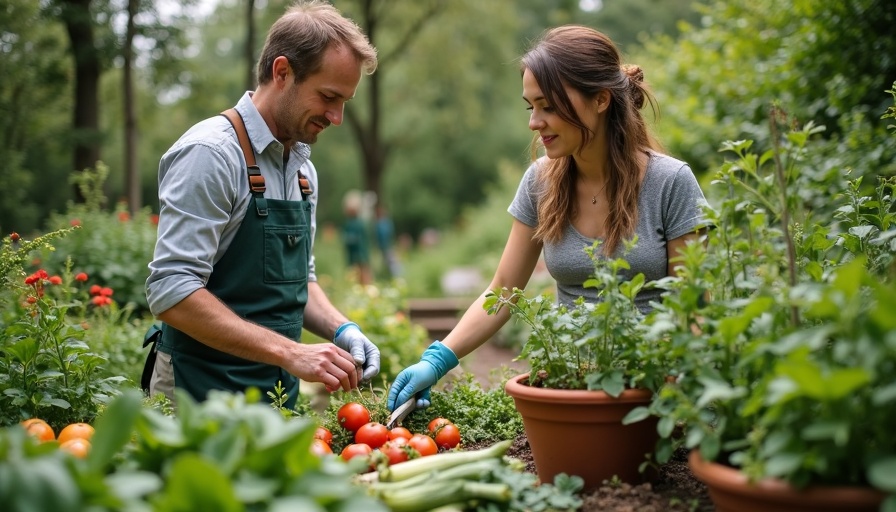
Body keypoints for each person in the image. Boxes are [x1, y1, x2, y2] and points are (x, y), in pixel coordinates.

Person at [387, 25, 711, 411]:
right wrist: (436, 360)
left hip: (653, 395)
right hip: (569, 385)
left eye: (549, 106)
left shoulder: (670, 182)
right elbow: (504, 290)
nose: (534, 122)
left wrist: (683, 397)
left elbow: (693, 309)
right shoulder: (540, 182)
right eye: (531, 106)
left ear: (601, 99)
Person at [145, 1, 381, 409]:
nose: (337, 117)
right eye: (328, 96)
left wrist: (343, 330)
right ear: (283, 72)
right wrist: (293, 353)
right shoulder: (212, 153)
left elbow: (299, 284)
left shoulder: (303, 171)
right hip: (197, 393)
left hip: (272, 397)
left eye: (345, 101)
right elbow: (172, 290)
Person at [341, 191, 373, 285]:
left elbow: (362, 240)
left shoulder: (360, 224)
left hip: (361, 254)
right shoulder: (348, 224)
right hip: (352, 254)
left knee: (363, 275)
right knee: (353, 276)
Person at [374, 204, 401, 278]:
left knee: (391, 262)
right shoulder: (385, 223)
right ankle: (391, 276)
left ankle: (396, 276)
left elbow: (385, 236)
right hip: (385, 246)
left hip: (386, 246)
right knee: (388, 262)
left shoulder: (383, 224)